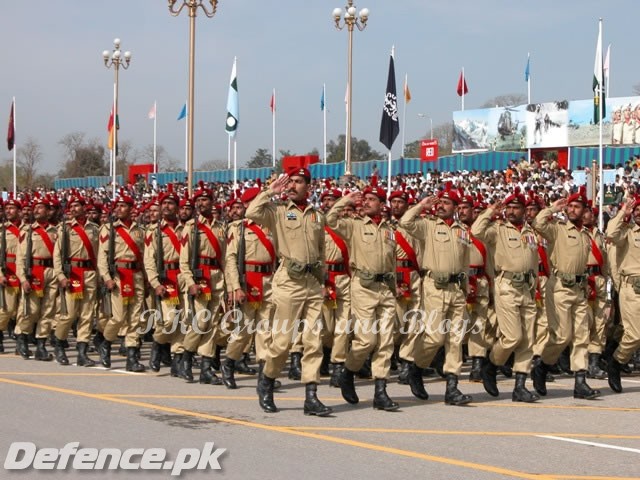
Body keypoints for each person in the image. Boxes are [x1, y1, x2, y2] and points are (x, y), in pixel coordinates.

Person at [246, 169, 331, 416]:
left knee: (313, 341)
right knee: (282, 342)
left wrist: (323, 280)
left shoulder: (317, 216)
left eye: (298, 182)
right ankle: (267, 381)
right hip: (288, 282)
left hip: (312, 282)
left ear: (308, 187)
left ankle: (311, 397)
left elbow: (321, 250)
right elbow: (251, 212)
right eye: (290, 181)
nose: (292, 185)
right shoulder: (278, 210)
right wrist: (270, 192)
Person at [398, 184, 473, 405]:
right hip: (434, 287)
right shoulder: (428, 226)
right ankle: (416, 368)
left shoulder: (462, 231)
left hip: (456, 289)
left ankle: (452, 387)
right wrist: (422, 205)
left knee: (455, 339)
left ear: (456, 207)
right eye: (439, 202)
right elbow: (405, 222)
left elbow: (465, 261)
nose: (441, 206)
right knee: (434, 336)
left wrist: (466, 286)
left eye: (446, 203)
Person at [327, 186, 400, 411]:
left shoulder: (389, 230)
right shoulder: (354, 226)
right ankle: (348, 372)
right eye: (365, 199)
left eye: (371, 199)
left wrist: (394, 288)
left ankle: (381, 391)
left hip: (385, 288)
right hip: (363, 287)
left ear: (381, 203)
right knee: (366, 340)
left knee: (386, 341)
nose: (366, 202)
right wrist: (344, 200)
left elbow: (392, 262)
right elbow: (329, 219)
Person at [531, 189, 601, 399]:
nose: (571, 209)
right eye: (570, 206)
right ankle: (541, 366)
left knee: (582, 336)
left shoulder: (585, 234)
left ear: (585, 211)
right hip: (560, 286)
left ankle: (580, 382)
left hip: (579, 289)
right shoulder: (558, 229)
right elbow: (538, 224)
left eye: (576, 207)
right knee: (561, 336)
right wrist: (553, 208)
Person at [472, 190, 540, 402]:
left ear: (524, 211)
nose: (511, 211)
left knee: (528, 340)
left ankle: (520, 386)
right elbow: (475, 231)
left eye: (516, 208)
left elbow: (534, 261)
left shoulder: (531, 232)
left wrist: (535, 287)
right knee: (512, 337)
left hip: (526, 287)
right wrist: (490, 211)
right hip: (507, 286)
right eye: (509, 207)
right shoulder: (497, 229)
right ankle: (491, 364)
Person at [222, 188, 276, 389]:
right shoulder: (239, 228)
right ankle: (229, 364)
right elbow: (230, 259)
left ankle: (264, 376)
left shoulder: (273, 226)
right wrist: (235, 287)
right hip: (248, 282)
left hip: (269, 281)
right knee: (243, 330)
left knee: (266, 331)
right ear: (247, 205)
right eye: (253, 202)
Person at [178, 181, 226, 385]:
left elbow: (224, 257)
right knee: (200, 322)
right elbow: (184, 259)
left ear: (212, 202)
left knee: (213, 323)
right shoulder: (191, 227)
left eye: (205, 199)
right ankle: (186, 357)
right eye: (198, 200)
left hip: (217, 276)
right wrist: (189, 281)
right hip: (200, 277)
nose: (201, 203)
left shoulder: (220, 227)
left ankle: (206, 367)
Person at [97, 190, 147, 372]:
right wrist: (107, 278)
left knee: (135, 319)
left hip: (136, 276)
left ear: (131, 208)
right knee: (118, 318)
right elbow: (102, 256)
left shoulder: (139, 230)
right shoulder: (108, 229)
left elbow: (143, 256)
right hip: (118, 276)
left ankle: (132, 357)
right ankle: (106, 342)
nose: (119, 208)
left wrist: (147, 280)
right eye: (117, 205)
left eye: (123, 206)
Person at [52, 191, 100, 366]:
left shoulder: (94, 228)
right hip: (72, 274)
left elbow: (99, 255)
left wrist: (100, 277)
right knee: (68, 314)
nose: (73, 209)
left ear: (83, 207)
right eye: (71, 206)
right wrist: (60, 276)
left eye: (76, 205)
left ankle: (82, 352)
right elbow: (57, 255)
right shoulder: (64, 228)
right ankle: (59, 344)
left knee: (87, 315)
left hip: (89, 274)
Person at [143, 184, 184, 373]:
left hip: (183, 277)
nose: (167, 207)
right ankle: (158, 343)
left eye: (171, 203)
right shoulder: (154, 231)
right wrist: (155, 283)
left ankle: (177, 358)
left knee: (183, 319)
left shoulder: (186, 228)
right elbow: (149, 261)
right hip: (165, 277)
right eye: (164, 203)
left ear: (177, 207)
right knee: (169, 320)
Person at [15, 194, 58, 361]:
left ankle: (41, 345)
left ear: (48, 211)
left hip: (51, 271)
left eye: (41, 207)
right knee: (29, 310)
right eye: (36, 207)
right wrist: (23, 279)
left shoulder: (56, 230)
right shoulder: (27, 230)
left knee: (48, 310)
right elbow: (20, 257)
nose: (36, 210)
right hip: (33, 271)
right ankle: (22, 339)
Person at [605, 195, 640, 392]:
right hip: (632, 289)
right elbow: (611, 233)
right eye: (636, 210)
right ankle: (616, 362)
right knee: (635, 334)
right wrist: (622, 213)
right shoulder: (627, 233)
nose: (639, 213)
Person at [319, 188, 352, 388]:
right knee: (326, 327)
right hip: (326, 278)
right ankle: (323, 355)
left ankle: (338, 366)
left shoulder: (351, 227)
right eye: (327, 200)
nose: (330, 203)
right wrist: (321, 281)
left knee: (343, 325)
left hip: (345, 278)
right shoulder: (319, 227)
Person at [0, 196, 23, 354]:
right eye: (7, 208)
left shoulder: (27, 229)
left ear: (19, 211)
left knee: (24, 310)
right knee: (6, 309)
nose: (8, 211)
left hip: (26, 272)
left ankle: (21, 341)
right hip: (8, 271)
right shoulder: (2, 230)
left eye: (12, 208)